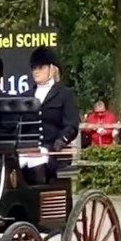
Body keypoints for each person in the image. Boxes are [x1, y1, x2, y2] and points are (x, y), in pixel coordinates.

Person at [21, 47, 79, 183]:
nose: (36, 71)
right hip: (29, 148)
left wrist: (61, 140)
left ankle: (38, 198)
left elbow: (71, 124)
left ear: (52, 69)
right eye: (34, 68)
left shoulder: (65, 94)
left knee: (37, 161)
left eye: (40, 67)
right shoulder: (26, 96)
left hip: (54, 150)